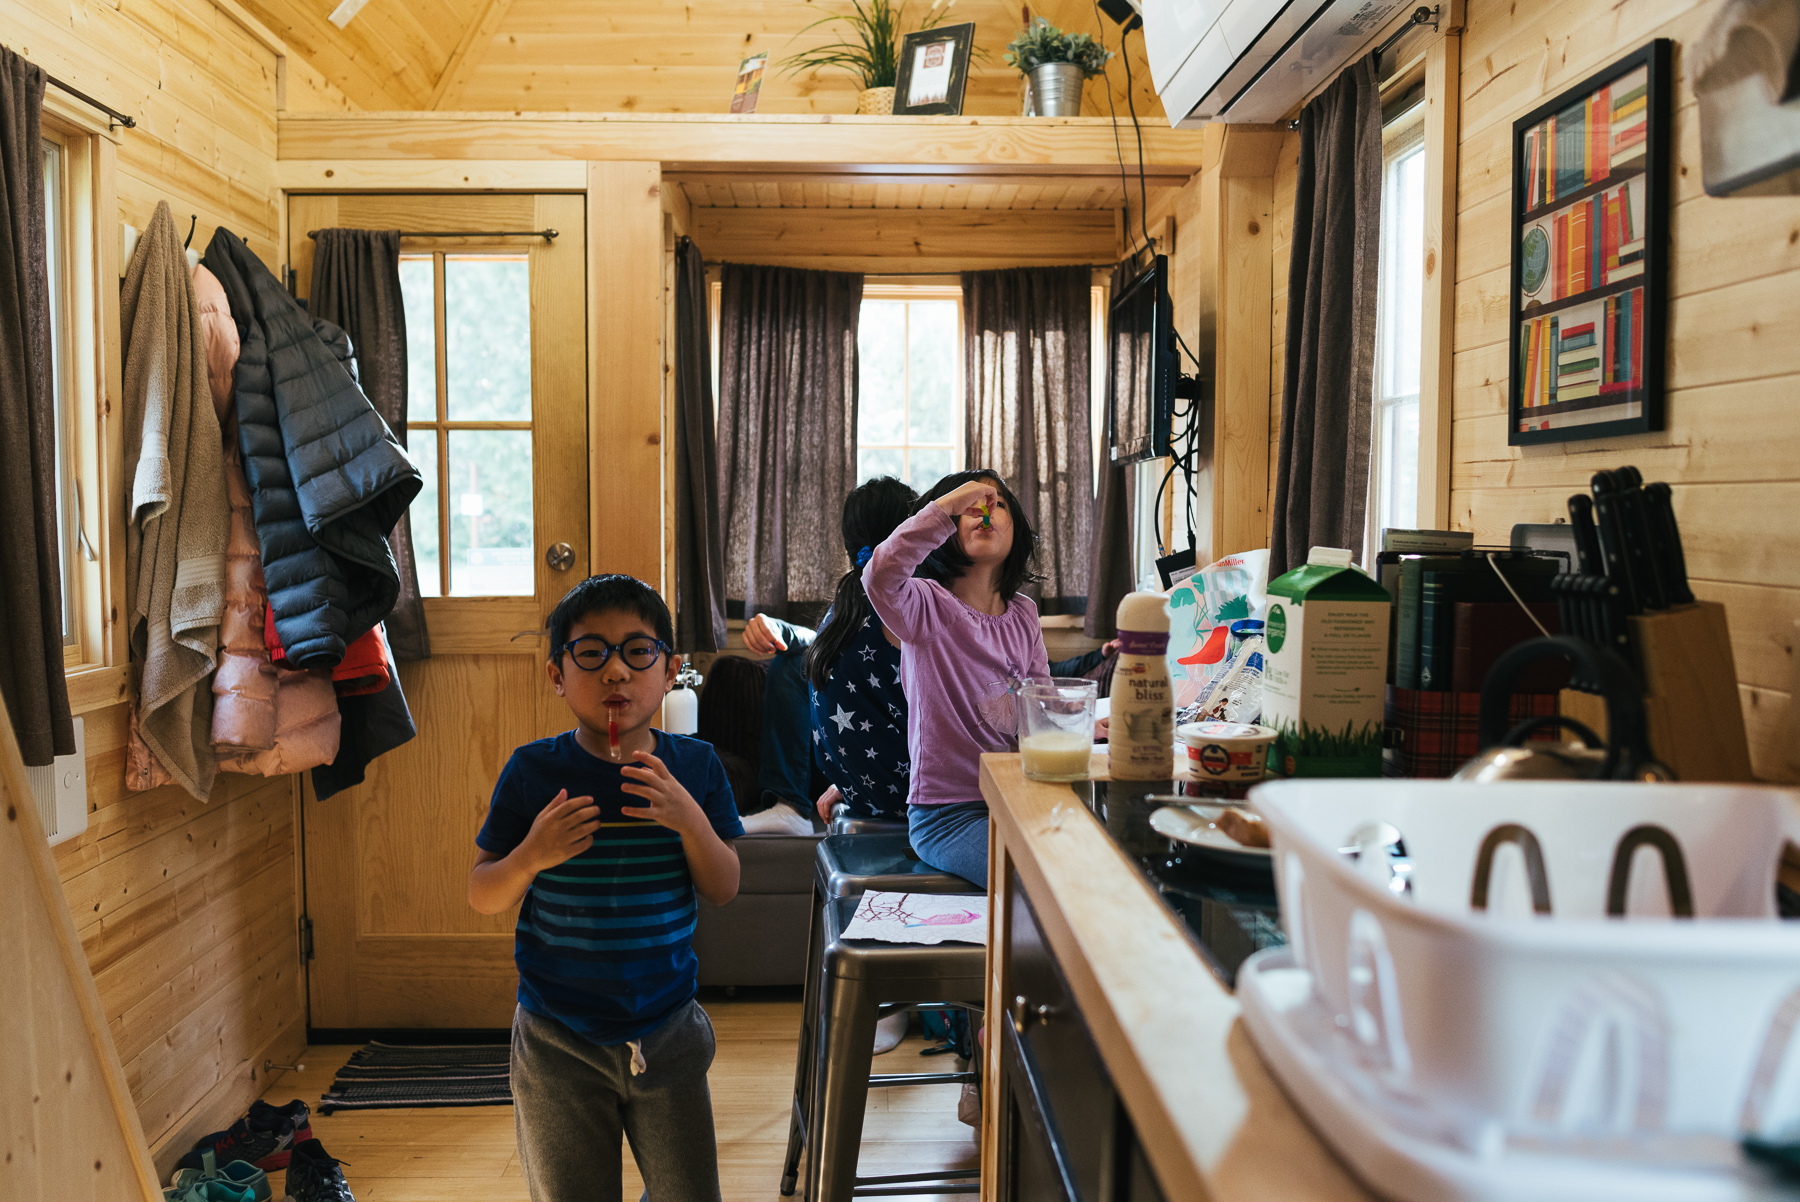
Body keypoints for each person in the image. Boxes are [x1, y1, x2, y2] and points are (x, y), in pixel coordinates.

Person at [468, 574, 743, 1202]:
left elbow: (724, 886)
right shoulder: (534, 771)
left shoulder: (695, 768)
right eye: (591, 653)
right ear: (556, 675)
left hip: (667, 1028)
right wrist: (532, 855)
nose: (615, 672)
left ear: (670, 670)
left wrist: (687, 819)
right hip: (556, 1039)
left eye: (637, 651)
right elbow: (483, 892)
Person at [863, 470, 1051, 889]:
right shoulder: (925, 605)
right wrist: (945, 507)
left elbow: (1041, 707)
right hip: (947, 815)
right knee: (1038, 881)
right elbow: (879, 575)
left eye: (997, 504)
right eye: (969, 507)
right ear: (944, 529)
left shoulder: (1024, 613)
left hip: (1017, 796)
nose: (983, 511)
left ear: (1016, 531)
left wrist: (1080, 725)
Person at [741, 476, 919, 829]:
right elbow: (848, 647)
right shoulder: (882, 602)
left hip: (889, 778)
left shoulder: (863, 599)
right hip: (894, 783)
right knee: (795, 661)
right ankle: (788, 805)